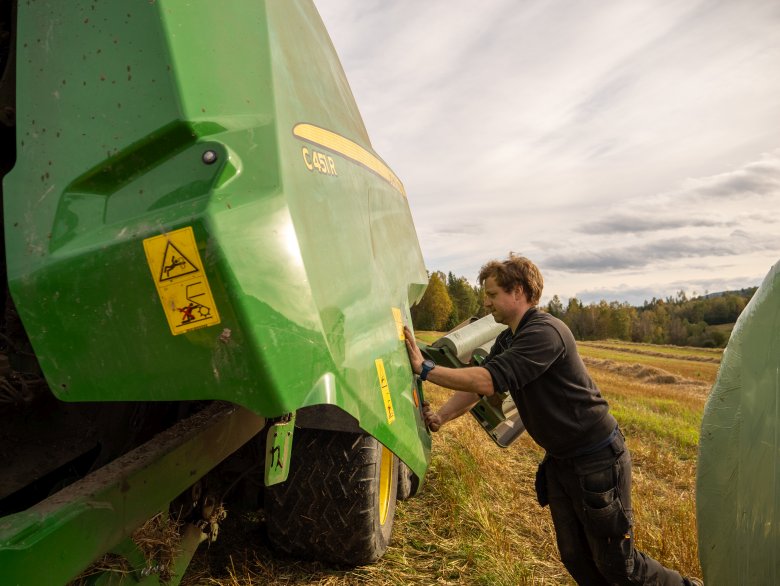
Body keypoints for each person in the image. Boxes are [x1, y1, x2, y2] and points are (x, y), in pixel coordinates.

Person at [403, 254, 701, 586]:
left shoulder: (545, 333)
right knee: (577, 558)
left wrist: (426, 368)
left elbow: (486, 380)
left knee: (619, 565)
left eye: (492, 294)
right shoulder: (509, 337)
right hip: (561, 462)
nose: (486, 303)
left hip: (596, 459)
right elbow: (481, 389)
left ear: (518, 292)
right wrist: (442, 416)